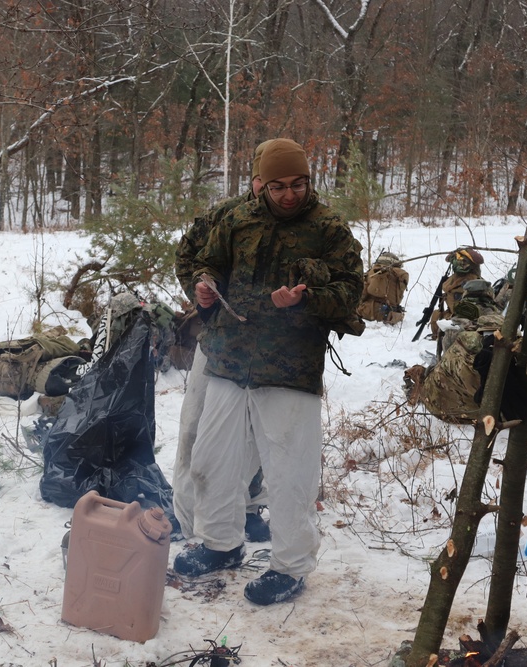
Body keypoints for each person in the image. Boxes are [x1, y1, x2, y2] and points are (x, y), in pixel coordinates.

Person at [173, 138, 364, 605]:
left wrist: (305, 299)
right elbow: (206, 263)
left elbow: (351, 291)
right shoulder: (236, 219)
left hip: (288, 367)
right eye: (277, 186)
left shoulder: (329, 229)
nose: (288, 195)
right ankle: (221, 544)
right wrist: (204, 288)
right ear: (262, 183)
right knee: (212, 459)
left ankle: (290, 566)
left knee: (288, 472)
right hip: (227, 359)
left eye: (298, 184)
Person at [173, 139, 275, 544]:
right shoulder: (225, 216)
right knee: (195, 430)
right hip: (218, 344)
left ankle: (248, 508)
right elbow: (187, 256)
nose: (274, 191)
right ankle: (188, 517)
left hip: (275, 352)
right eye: (265, 182)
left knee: (259, 435)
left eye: (286, 183)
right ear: (253, 181)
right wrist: (202, 294)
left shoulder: (309, 224)